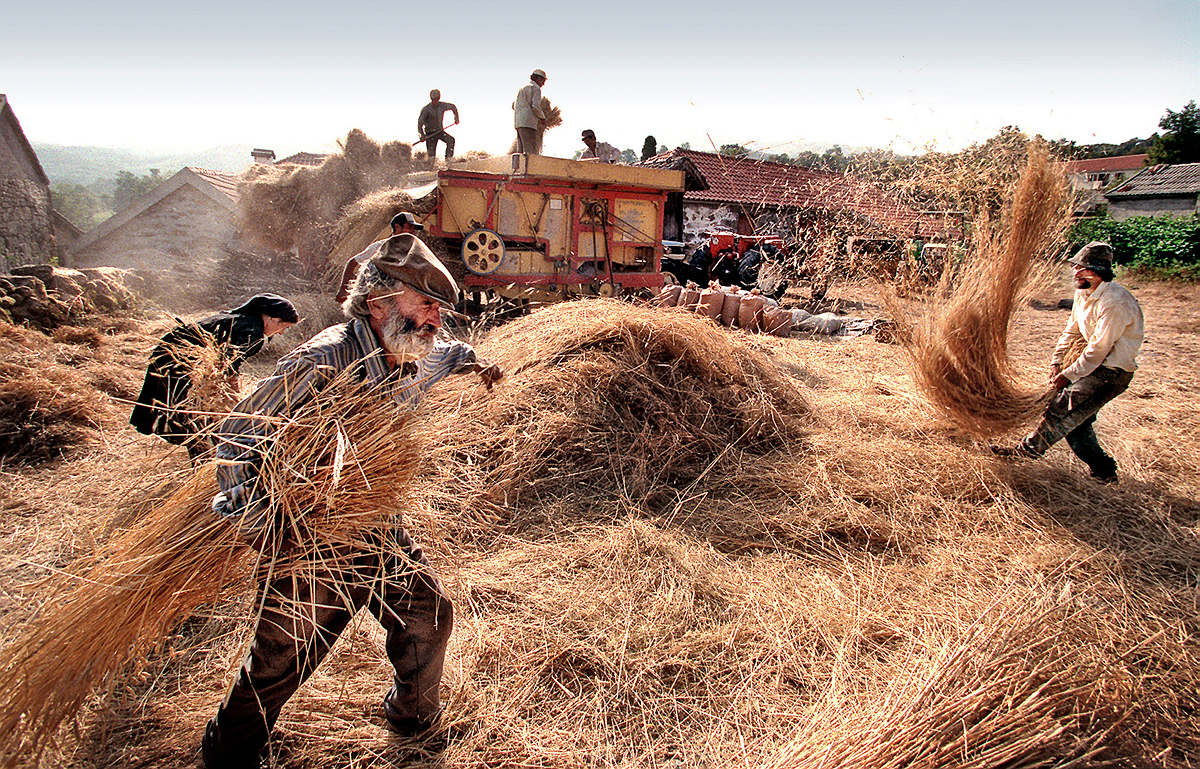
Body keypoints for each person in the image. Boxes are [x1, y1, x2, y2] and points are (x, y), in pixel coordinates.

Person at [200, 234, 503, 769]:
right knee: (283, 656)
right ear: (378, 302)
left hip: (377, 524)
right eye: (426, 304)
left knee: (428, 615)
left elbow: (448, 353)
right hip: (313, 532)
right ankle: (227, 753)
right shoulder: (325, 360)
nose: (436, 320)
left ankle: (412, 716)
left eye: (438, 309)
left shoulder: (411, 352)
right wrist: (255, 516)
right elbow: (238, 434)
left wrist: (475, 363)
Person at [993, 242, 1144, 484]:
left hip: (1111, 372)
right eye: (1075, 267)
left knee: (1061, 408)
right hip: (1093, 366)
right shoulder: (1083, 293)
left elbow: (1099, 349)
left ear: (1098, 272)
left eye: (1082, 269)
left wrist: (1069, 375)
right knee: (1077, 424)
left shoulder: (1115, 302)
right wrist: (1057, 361)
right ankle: (1104, 471)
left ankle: (1028, 451)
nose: (1075, 273)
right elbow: (1072, 330)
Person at [129, 294, 298, 460]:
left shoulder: (240, 318)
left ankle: (199, 456)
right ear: (272, 318)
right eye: (285, 326)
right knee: (192, 416)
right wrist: (234, 401)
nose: (282, 333)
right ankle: (202, 463)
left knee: (177, 410)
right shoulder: (253, 332)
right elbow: (228, 365)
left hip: (169, 352)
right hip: (180, 362)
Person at [335, 212, 424, 303]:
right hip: (380, 298)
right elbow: (352, 262)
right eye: (409, 227)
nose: (413, 232)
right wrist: (343, 289)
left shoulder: (414, 250)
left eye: (413, 229)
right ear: (397, 227)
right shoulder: (380, 247)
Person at [417, 89, 459, 160]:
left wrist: (456, 117)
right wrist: (422, 135)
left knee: (451, 140)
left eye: (437, 99)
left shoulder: (442, 106)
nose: (436, 101)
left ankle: (448, 159)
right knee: (431, 157)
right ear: (431, 99)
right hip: (430, 135)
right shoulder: (426, 109)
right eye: (434, 99)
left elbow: (453, 107)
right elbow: (420, 123)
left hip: (440, 132)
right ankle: (429, 167)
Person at [513, 69, 547, 155]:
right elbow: (535, 106)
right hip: (529, 124)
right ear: (538, 78)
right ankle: (528, 168)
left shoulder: (523, 88)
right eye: (543, 81)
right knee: (529, 152)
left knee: (520, 151)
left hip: (519, 123)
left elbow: (513, 105)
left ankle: (519, 168)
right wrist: (542, 118)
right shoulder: (535, 88)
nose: (543, 84)